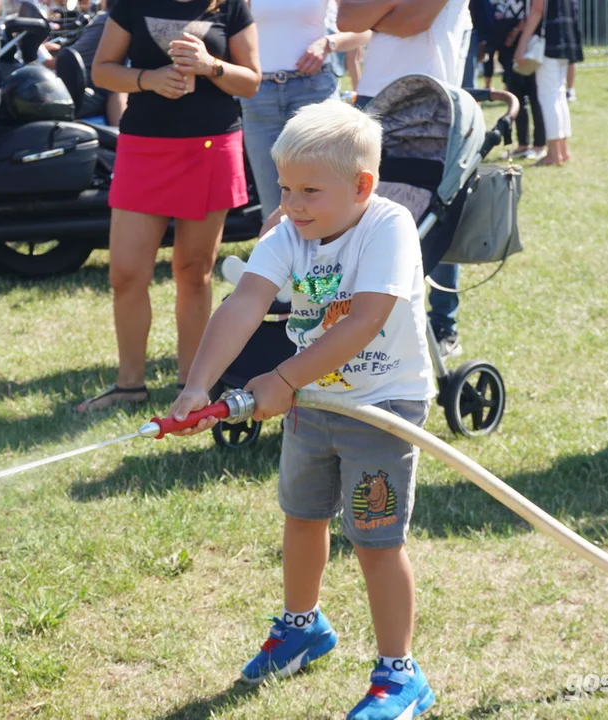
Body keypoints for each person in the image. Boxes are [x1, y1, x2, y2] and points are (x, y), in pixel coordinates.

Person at [170, 100, 436, 720]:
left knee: (375, 539)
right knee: (302, 514)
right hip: (315, 400)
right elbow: (244, 304)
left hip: (381, 408)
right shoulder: (290, 231)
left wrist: (283, 377)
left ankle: (401, 673)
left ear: (362, 186)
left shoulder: (387, 226)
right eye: (286, 187)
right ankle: (302, 627)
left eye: (310, 190)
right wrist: (198, 385)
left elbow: (367, 319)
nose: (292, 203)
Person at [79, 0, 260, 410]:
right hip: (144, 148)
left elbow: (250, 82)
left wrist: (210, 65)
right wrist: (149, 79)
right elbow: (103, 69)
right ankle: (129, 386)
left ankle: (191, 386)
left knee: (194, 272)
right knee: (126, 273)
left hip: (210, 146)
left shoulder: (231, 6)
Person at [339, 0, 471, 360]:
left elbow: (413, 22)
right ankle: (364, 317)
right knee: (364, 209)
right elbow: (347, 19)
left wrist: (379, 16)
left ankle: (443, 325)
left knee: (435, 207)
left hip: (436, 98)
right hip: (376, 95)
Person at [241, 0, 370, 223]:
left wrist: (328, 44)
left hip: (313, 91)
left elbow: (365, 31)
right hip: (259, 96)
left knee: (327, 194)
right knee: (275, 206)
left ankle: (332, 257)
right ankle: (284, 258)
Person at [514, 0, 581, 167]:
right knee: (559, 94)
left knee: (549, 96)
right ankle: (563, 150)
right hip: (565, 38)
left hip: (549, 41)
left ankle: (553, 153)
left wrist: (521, 45)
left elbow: (537, 9)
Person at [41, 0, 127, 126]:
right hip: (116, 83)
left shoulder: (108, 21)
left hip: (104, 87)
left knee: (115, 87)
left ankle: (117, 136)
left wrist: (39, 55)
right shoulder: (112, 20)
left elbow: (67, 59)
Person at [493, 0, 545, 160]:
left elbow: (531, 14)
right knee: (516, 96)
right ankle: (523, 144)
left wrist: (515, 35)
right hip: (508, 50)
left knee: (535, 96)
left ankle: (539, 144)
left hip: (525, 47)